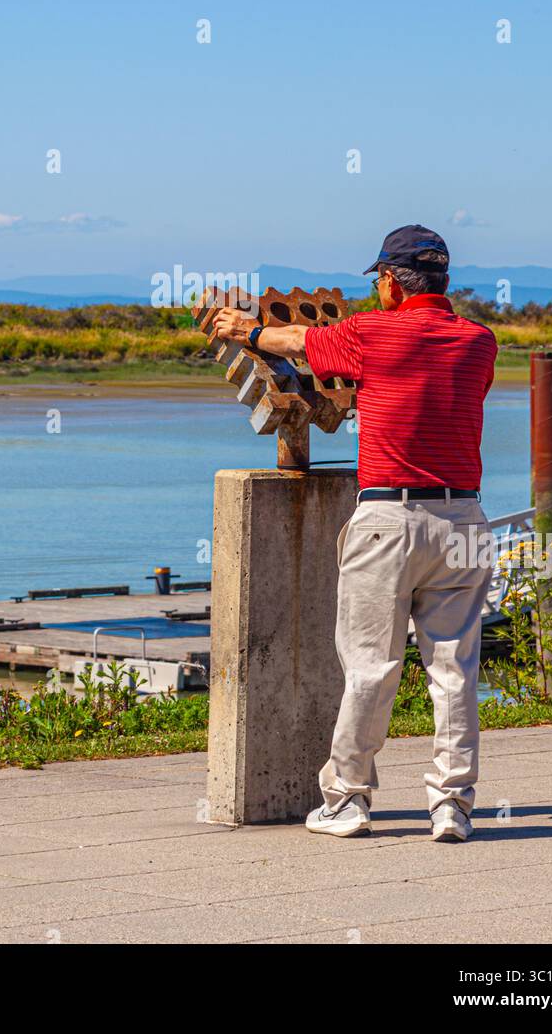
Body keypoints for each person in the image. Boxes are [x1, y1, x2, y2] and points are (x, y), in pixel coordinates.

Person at [213, 224, 498, 842]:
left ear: (391, 282)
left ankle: (347, 799)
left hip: (389, 520)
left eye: (380, 281)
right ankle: (452, 804)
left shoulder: (371, 333)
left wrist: (247, 330)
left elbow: (297, 341)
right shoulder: (479, 342)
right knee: (454, 669)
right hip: (464, 520)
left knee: (371, 668)